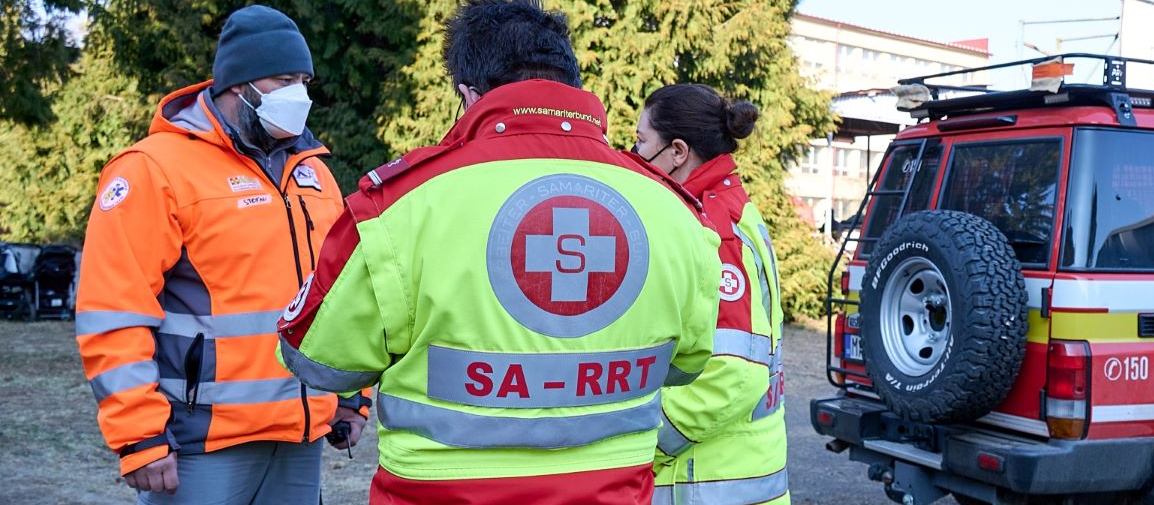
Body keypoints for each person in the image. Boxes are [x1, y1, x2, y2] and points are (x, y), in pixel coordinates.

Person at [275, 1, 719, 503]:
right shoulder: (676, 211)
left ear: (467, 94)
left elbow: (316, 357)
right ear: (570, 85)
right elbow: (687, 363)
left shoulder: (399, 206)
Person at [74, 5, 366, 504]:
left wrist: (346, 396)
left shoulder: (314, 174)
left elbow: (334, 298)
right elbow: (112, 312)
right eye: (282, 80)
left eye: (303, 80)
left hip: (301, 437)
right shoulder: (153, 170)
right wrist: (138, 436)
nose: (298, 94)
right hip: (200, 443)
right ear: (239, 86)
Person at [636, 84, 789, 505]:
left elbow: (732, 374)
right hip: (737, 476)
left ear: (678, 151)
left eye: (640, 141)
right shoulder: (729, 207)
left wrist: (640, 450)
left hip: (706, 482)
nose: (632, 154)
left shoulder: (713, 226)